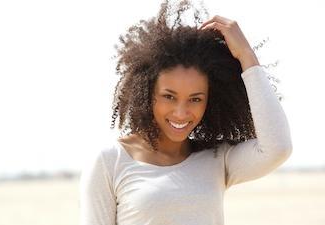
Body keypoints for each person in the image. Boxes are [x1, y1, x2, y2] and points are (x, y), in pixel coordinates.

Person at [79, 1, 292, 224]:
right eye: (169, 96)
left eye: (195, 99)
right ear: (146, 92)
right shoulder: (110, 162)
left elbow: (278, 147)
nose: (181, 113)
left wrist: (247, 56)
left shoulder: (217, 159)